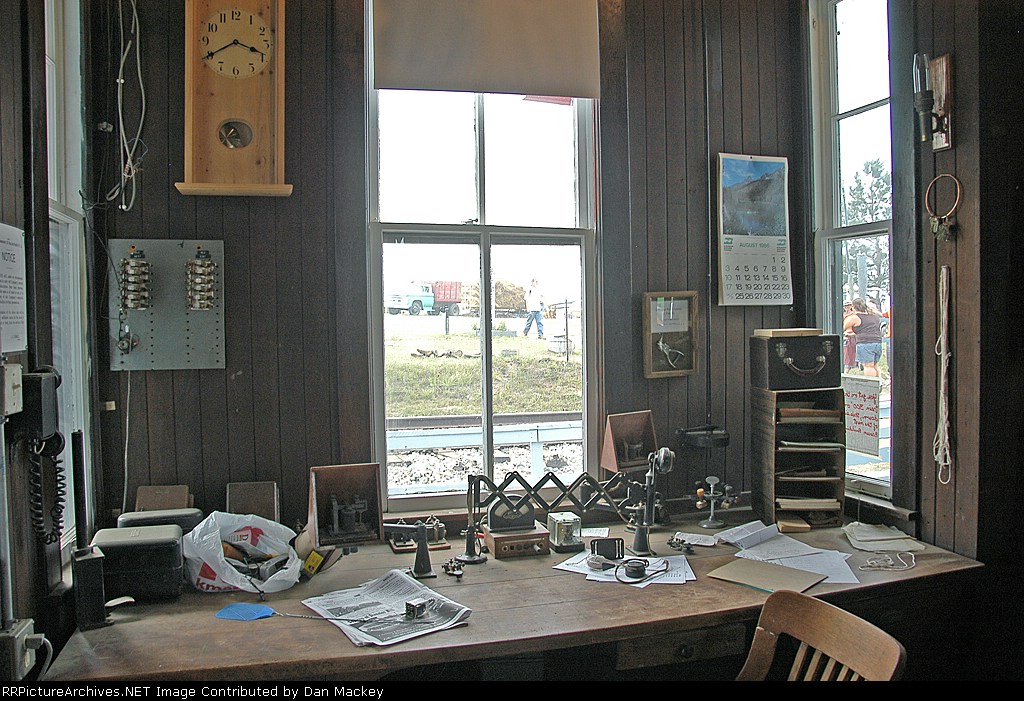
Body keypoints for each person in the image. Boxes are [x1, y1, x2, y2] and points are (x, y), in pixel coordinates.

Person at [842, 297, 884, 377]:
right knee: (875, 365)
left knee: (868, 366)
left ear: (853, 307)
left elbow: (843, 327)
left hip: (865, 343)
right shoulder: (874, 316)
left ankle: (870, 386)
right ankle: (878, 385)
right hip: (878, 343)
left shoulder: (855, 317)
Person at [841, 300, 857, 372]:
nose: (847, 307)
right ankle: (847, 368)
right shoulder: (843, 315)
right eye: (845, 306)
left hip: (853, 335)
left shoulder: (854, 314)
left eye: (848, 305)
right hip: (846, 336)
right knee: (846, 353)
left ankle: (853, 366)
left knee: (853, 352)